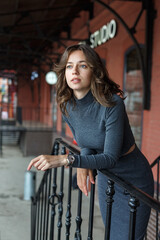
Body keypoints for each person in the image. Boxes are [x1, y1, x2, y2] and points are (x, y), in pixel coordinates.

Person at [27, 44, 154, 239]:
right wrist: (83, 159)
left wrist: (67, 160)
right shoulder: (66, 105)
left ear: (94, 70)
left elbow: (110, 157)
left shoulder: (112, 103)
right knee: (112, 234)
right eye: (69, 66)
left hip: (133, 178)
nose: (74, 71)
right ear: (64, 72)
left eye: (82, 65)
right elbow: (86, 140)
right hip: (106, 177)